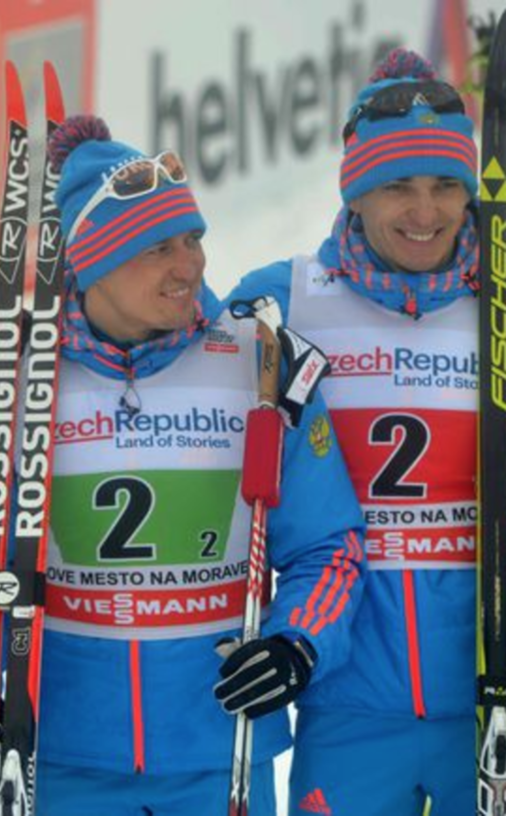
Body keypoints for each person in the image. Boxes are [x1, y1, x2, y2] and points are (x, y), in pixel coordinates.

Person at [0, 116, 367, 815]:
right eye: (159, 247)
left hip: (219, 752)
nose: (191, 265)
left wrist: (296, 645)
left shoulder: (258, 366)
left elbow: (330, 546)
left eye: (193, 238)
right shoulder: (13, 382)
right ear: (95, 262)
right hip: (59, 758)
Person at [229, 48, 479, 816]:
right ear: (355, 190)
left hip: (487, 700)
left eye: (445, 187)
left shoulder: (496, 302)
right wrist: (43, 340)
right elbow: (155, 345)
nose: (425, 212)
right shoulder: (284, 301)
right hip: (342, 702)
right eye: (397, 186)